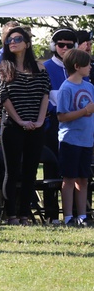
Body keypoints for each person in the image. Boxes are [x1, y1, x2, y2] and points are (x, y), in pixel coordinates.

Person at [0, 27, 50, 225]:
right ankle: (11, 215)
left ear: (27, 43)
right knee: (12, 171)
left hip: (36, 125)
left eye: (17, 39)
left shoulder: (40, 68)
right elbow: (3, 97)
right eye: (9, 40)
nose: (13, 42)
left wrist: (40, 121)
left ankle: (25, 214)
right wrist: (20, 121)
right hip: (12, 126)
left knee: (30, 170)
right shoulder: (3, 68)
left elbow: (45, 94)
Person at [54, 49, 93, 227]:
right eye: (87, 64)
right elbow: (61, 116)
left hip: (87, 140)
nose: (90, 66)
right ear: (77, 67)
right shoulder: (66, 88)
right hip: (70, 140)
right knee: (69, 179)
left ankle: (83, 216)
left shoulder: (90, 87)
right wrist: (85, 111)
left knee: (83, 179)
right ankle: (68, 216)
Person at [44, 29, 78, 161]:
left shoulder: (79, 67)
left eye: (69, 45)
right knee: (53, 162)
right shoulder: (44, 67)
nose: (65, 48)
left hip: (77, 121)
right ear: (54, 46)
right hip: (53, 122)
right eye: (61, 45)